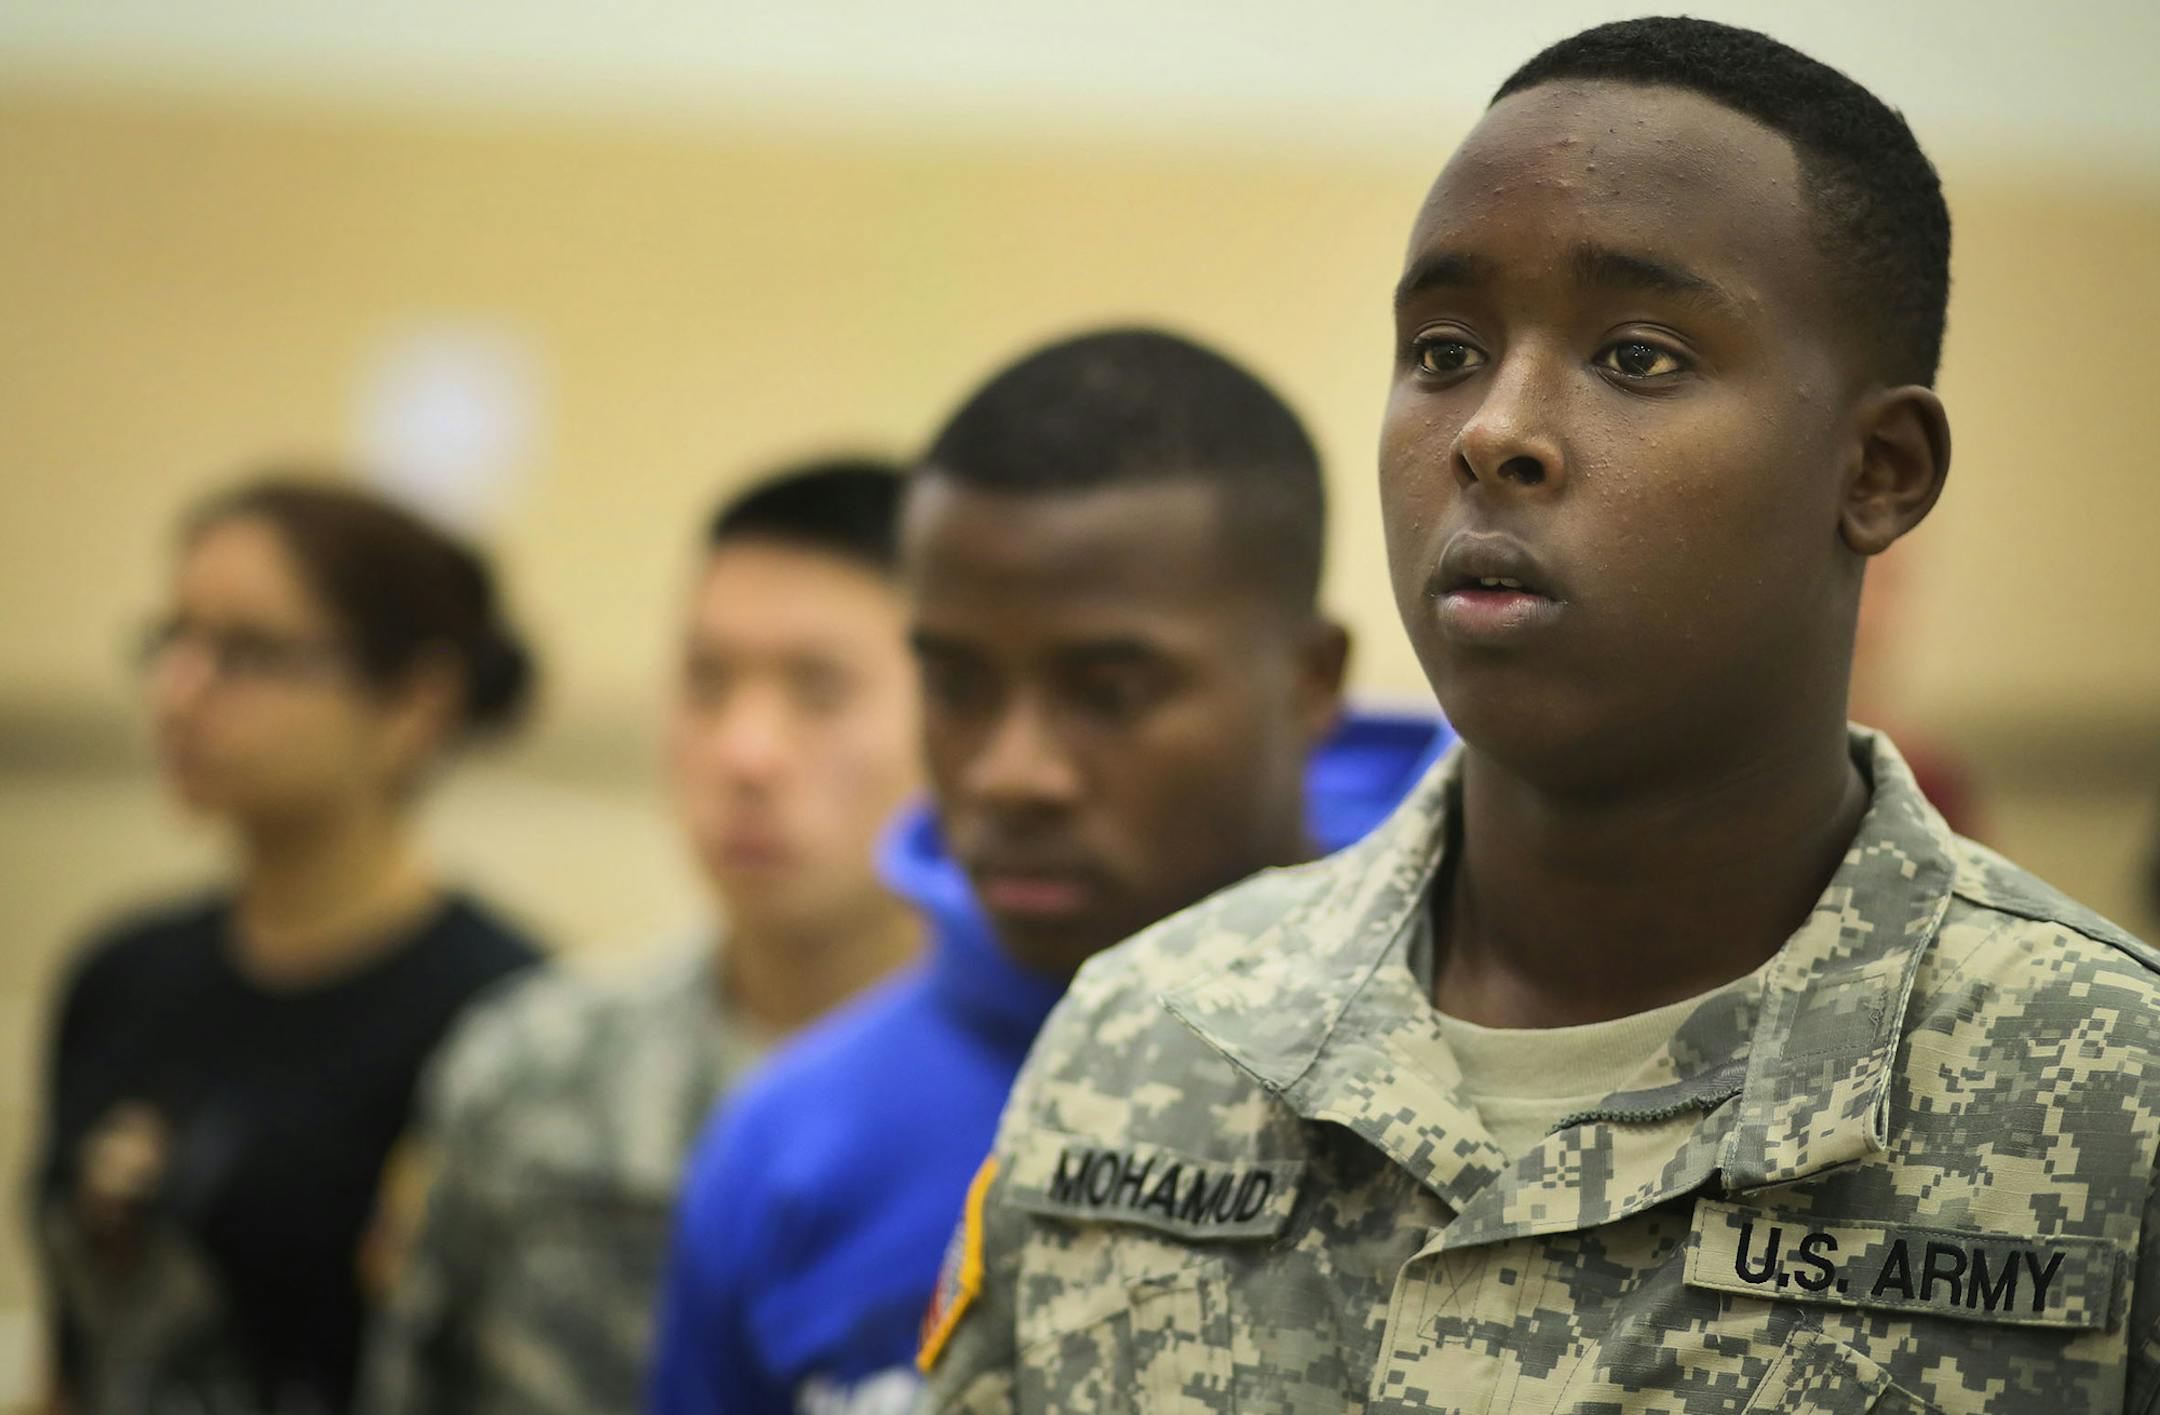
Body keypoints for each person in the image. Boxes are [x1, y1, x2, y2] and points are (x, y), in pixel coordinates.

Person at [922, 20, 2160, 1415]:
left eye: (1637, 355)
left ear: (1876, 469)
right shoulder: (1152, 1040)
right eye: (1442, 348)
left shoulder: (2116, 1106)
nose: (1492, 428)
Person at [649, 327, 1451, 1413]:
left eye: (1109, 691)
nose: (1014, 773)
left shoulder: (1496, 1040)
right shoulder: (799, 1141)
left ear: (1309, 682)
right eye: (958, 687)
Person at [358, 461, 925, 1414]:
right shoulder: (532, 1065)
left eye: (819, 691)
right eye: (706, 682)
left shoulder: (1041, 1098)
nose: (746, 752)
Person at [31, 476, 545, 1415]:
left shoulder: (508, 1017)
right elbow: (74, 1354)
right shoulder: (122, 974)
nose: (180, 690)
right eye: (172, 640)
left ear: (415, 705)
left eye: (249, 653)